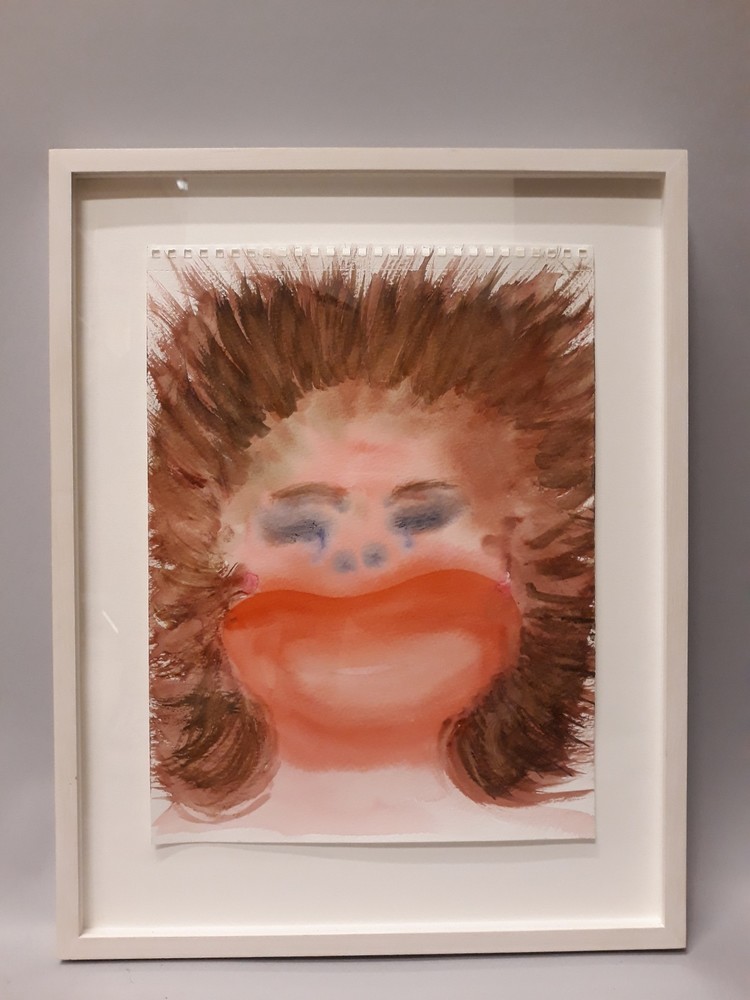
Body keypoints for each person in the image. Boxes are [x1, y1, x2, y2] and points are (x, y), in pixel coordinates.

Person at [148, 254, 595, 839]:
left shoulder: (567, 847)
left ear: (525, 551)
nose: (363, 556)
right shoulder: (175, 853)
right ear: (206, 568)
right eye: (301, 525)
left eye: (424, 516)